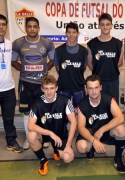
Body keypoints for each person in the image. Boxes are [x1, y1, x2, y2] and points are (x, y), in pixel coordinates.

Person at [11, 17, 55, 150]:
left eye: (34, 26)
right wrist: (23, 70)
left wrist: (44, 70)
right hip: (26, 83)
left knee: (44, 110)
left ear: (38, 28)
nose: (32, 29)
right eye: (29, 26)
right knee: (27, 112)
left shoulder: (47, 43)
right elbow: (13, 61)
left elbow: (53, 59)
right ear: (26, 28)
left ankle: (45, 138)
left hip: (42, 84)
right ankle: (29, 137)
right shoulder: (18, 43)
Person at [76, 75, 125, 174]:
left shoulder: (109, 99)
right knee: (81, 147)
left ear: (100, 87)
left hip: (106, 132)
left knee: (121, 129)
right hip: (91, 133)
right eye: (90, 88)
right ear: (86, 89)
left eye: (96, 87)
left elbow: (120, 118)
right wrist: (93, 141)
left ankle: (118, 159)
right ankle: (91, 149)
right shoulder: (82, 105)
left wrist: (102, 130)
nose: (94, 91)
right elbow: (81, 128)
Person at [28, 75, 77, 175]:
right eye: (46, 88)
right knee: (31, 136)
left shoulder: (65, 101)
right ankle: (43, 160)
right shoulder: (36, 103)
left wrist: (68, 145)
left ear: (56, 88)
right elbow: (31, 126)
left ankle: (56, 149)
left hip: (60, 135)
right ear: (42, 89)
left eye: (51, 88)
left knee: (67, 159)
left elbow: (74, 122)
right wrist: (50, 133)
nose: (49, 92)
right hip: (44, 134)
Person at [87, 13, 123, 104]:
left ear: (111, 25)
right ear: (99, 26)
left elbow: (120, 63)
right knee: (98, 106)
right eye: (102, 24)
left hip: (113, 80)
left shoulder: (118, 44)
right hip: (97, 81)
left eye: (107, 24)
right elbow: (90, 64)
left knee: (113, 106)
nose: (105, 27)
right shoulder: (92, 43)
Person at [0, 14, 23, 153]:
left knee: (9, 119)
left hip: (8, 89)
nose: (1, 27)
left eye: (3, 24)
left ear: (7, 27)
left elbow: (17, 61)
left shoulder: (11, 44)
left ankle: (11, 140)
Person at [54, 22, 88, 109]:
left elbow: (83, 67)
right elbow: (58, 69)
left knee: (81, 111)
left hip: (78, 87)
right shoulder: (58, 50)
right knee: (62, 112)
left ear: (78, 34)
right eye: (69, 32)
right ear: (66, 34)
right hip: (63, 87)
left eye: (74, 32)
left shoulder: (83, 51)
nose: (71, 35)